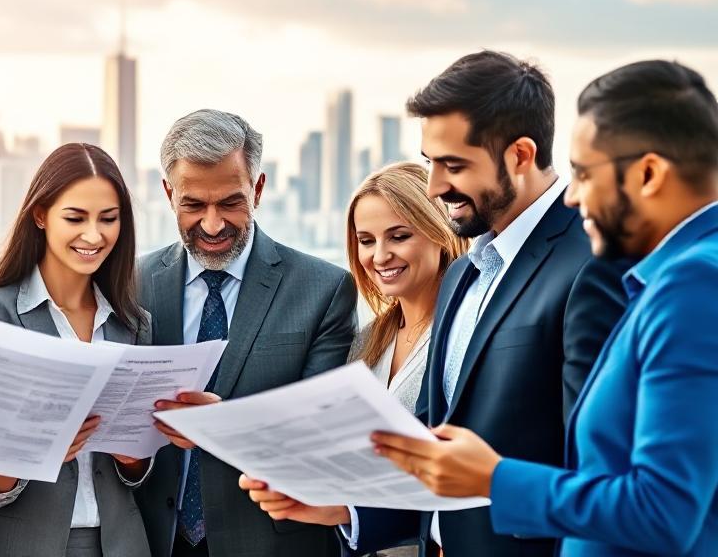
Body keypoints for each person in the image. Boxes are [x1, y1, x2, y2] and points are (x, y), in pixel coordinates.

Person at [238, 51, 628, 557]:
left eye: (454, 165)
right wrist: (346, 508)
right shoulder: (463, 275)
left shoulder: (590, 263)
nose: (435, 187)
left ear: (520, 155)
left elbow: (600, 469)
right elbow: (434, 453)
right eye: (430, 163)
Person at [373, 60, 718, 556]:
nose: (574, 196)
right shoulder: (464, 272)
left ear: (647, 173)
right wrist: (348, 504)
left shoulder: (685, 280)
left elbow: (658, 504)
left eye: (583, 173)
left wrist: (497, 479)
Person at [137, 109, 358, 557]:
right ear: (168, 194)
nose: (213, 224)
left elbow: (322, 433)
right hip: (155, 540)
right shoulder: (132, 282)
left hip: (270, 544)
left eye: (231, 203)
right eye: (194, 204)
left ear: (257, 189)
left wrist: (225, 425)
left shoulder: (324, 290)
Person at [239, 161, 467, 557]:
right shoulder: (366, 342)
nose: (380, 256)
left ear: (440, 233)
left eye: (398, 236)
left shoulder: (464, 334)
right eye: (366, 240)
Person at [0, 143, 152, 557]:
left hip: (119, 544)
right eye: (75, 218)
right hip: (24, 544)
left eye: (108, 219)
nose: (94, 235)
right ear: (40, 215)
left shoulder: (133, 324)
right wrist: (33, 449)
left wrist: (133, 458)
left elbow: (135, 475)